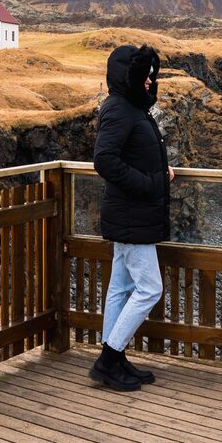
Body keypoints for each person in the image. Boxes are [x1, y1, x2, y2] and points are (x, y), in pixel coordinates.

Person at [89, 43, 173, 392]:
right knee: (150, 289)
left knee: (121, 288)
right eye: (146, 76)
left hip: (130, 214)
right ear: (130, 77)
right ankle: (108, 359)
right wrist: (151, 183)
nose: (151, 82)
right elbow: (104, 160)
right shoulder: (120, 109)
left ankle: (116, 359)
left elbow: (131, 154)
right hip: (131, 214)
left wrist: (158, 173)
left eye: (153, 77)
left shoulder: (129, 107)